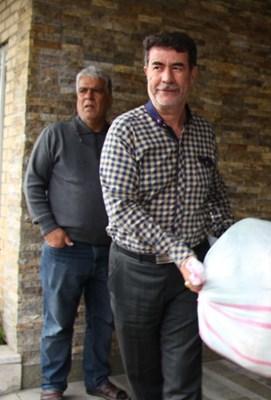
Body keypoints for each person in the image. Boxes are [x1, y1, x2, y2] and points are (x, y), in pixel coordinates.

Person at [99, 31, 234, 399]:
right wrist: (179, 253)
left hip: (188, 280)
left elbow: (215, 193)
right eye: (158, 67)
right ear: (146, 71)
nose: (167, 78)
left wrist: (232, 237)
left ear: (192, 74)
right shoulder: (124, 131)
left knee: (184, 378)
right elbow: (122, 208)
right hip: (135, 272)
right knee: (145, 380)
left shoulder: (204, 132)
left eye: (177, 68)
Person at [24, 66, 129, 400]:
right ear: (76, 96)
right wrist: (48, 227)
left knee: (104, 321)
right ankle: (52, 386)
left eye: (96, 91)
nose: (88, 97)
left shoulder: (118, 138)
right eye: (83, 90)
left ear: (108, 97)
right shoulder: (56, 135)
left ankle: (97, 380)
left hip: (110, 251)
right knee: (57, 323)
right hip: (65, 250)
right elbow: (33, 183)